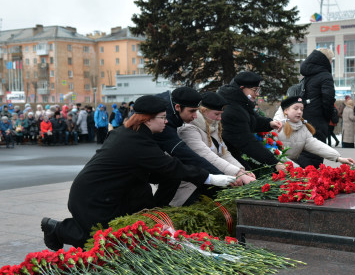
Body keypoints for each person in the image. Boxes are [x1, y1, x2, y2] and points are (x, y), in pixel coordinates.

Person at [40, 95, 236, 250]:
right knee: (102, 241)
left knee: (124, 234)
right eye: (162, 118)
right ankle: (56, 228)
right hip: (94, 198)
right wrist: (210, 178)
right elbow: (170, 166)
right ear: (147, 120)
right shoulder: (135, 141)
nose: (166, 122)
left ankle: (155, 211)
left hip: (110, 193)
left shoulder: (131, 133)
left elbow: (163, 170)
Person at [176, 92, 256, 205]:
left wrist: (241, 170)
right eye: (216, 114)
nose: (219, 118)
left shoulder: (213, 126)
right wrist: (237, 174)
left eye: (221, 114)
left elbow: (224, 153)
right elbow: (207, 155)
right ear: (203, 111)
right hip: (192, 188)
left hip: (212, 182)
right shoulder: (188, 129)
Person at [218, 71, 285, 172]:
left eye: (258, 90)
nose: (257, 94)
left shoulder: (240, 101)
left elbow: (253, 120)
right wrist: (274, 162)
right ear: (242, 88)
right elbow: (247, 142)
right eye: (255, 90)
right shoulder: (232, 109)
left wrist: (269, 123)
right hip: (224, 155)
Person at [276, 96, 355, 166]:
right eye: (296, 108)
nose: (299, 112)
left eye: (301, 109)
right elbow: (273, 153)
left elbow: (316, 145)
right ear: (286, 110)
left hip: (291, 169)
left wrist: (338, 158)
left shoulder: (303, 128)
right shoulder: (276, 126)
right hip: (276, 168)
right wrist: (295, 168)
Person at [299, 48, 335, 167]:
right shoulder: (325, 76)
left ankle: (300, 177)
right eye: (331, 60)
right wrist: (328, 116)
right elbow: (328, 99)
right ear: (326, 60)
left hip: (304, 116)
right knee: (315, 151)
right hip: (318, 119)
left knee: (304, 149)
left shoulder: (307, 75)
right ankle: (310, 179)